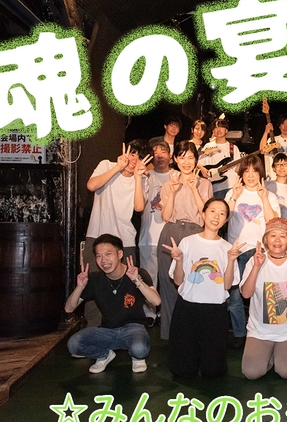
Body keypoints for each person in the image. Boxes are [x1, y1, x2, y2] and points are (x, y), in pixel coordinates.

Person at [161, 198, 241, 378]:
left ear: (226, 220)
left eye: (222, 213)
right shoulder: (187, 242)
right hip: (187, 309)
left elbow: (227, 285)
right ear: (203, 214)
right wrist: (179, 260)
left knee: (213, 371)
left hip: (215, 311)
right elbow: (178, 281)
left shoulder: (228, 248)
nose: (216, 216)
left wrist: (231, 260)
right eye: (212, 211)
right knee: (183, 371)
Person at [66, 234, 160, 373]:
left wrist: (136, 281)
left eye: (108, 254)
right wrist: (80, 287)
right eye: (99, 256)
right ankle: (104, 355)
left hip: (134, 328)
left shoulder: (138, 273)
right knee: (73, 344)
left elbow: (156, 301)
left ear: (120, 254)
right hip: (107, 330)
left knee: (139, 349)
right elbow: (69, 308)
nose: (103, 260)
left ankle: (136, 357)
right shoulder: (94, 279)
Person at [240, 218, 287, 379]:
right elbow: (246, 294)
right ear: (266, 239)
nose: (277, 240)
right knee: (251, 373)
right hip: (259, 331)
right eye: (273, 235)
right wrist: (256, 267)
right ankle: (268, 356)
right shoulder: (255, 260)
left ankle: (279, 355)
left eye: (283, 236)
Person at [157, 141, 213, 340]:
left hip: (195, 234)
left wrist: (194, 189)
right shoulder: (168, 185)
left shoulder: (205, 184)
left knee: (194, 284)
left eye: (190, 157)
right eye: (182, 157)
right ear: (175, 159)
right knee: (168, 285)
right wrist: (172, 192)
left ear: (197, 160)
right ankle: (170, 335)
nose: (186, 162)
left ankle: (192, 335)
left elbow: (206, 217)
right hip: (171, 232)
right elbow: (166, 216)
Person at [225, 155, 281, 347]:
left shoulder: (269, 196)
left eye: (254, 171)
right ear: (241, 174)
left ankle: (267, 332)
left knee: (264, 294)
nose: (250, 175)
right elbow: (224, 218)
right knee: (234, 297)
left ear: (261, 173)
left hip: (261, 251)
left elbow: (273, 223)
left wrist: (264, 198)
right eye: (246, 171)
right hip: (237, 250)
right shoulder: (233, 193)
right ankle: (240, 334)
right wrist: (234, 196)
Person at [84, 141, 151, 273]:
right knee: (93, 279)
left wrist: (138, 177)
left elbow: (139, 207)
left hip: (124, 239)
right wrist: (118, 167)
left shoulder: (143, 179)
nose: (134, 160)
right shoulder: (106, 165)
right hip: (97, 234)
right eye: (132, 154)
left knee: (125, 281)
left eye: (140, 158)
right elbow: (91, 186)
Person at [137, 140, 172, 324]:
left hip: (170, 237)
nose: (159, 155)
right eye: (155, 152)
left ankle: (167, 314)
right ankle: (149, 314)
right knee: (148, 279)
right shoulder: (145, 175)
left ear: (170, 156)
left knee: (169, 279)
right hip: (148, 236)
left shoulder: (177, 175)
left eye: (163, 152)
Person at [198, 117, 242, 199]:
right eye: (215, 127)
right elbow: (199, 163)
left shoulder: (233, 148)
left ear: (226, 130)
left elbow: (237, 169)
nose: (218, 129)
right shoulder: (208, 146)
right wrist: (202, 169)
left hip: (231, 186)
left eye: (221, 127)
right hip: (215, 187)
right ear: (213, 131)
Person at [260, 113, 287, 179]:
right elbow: (262, 150)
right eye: (282, 124)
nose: (285, 127)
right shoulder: (272, 139)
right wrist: (266, 132)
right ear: (279, 126)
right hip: (271, 177)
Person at [264, 153, 287, 219]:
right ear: (274, 168)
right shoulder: (266, 185)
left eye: (285, 164)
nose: (282, 167)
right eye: (278, 165)